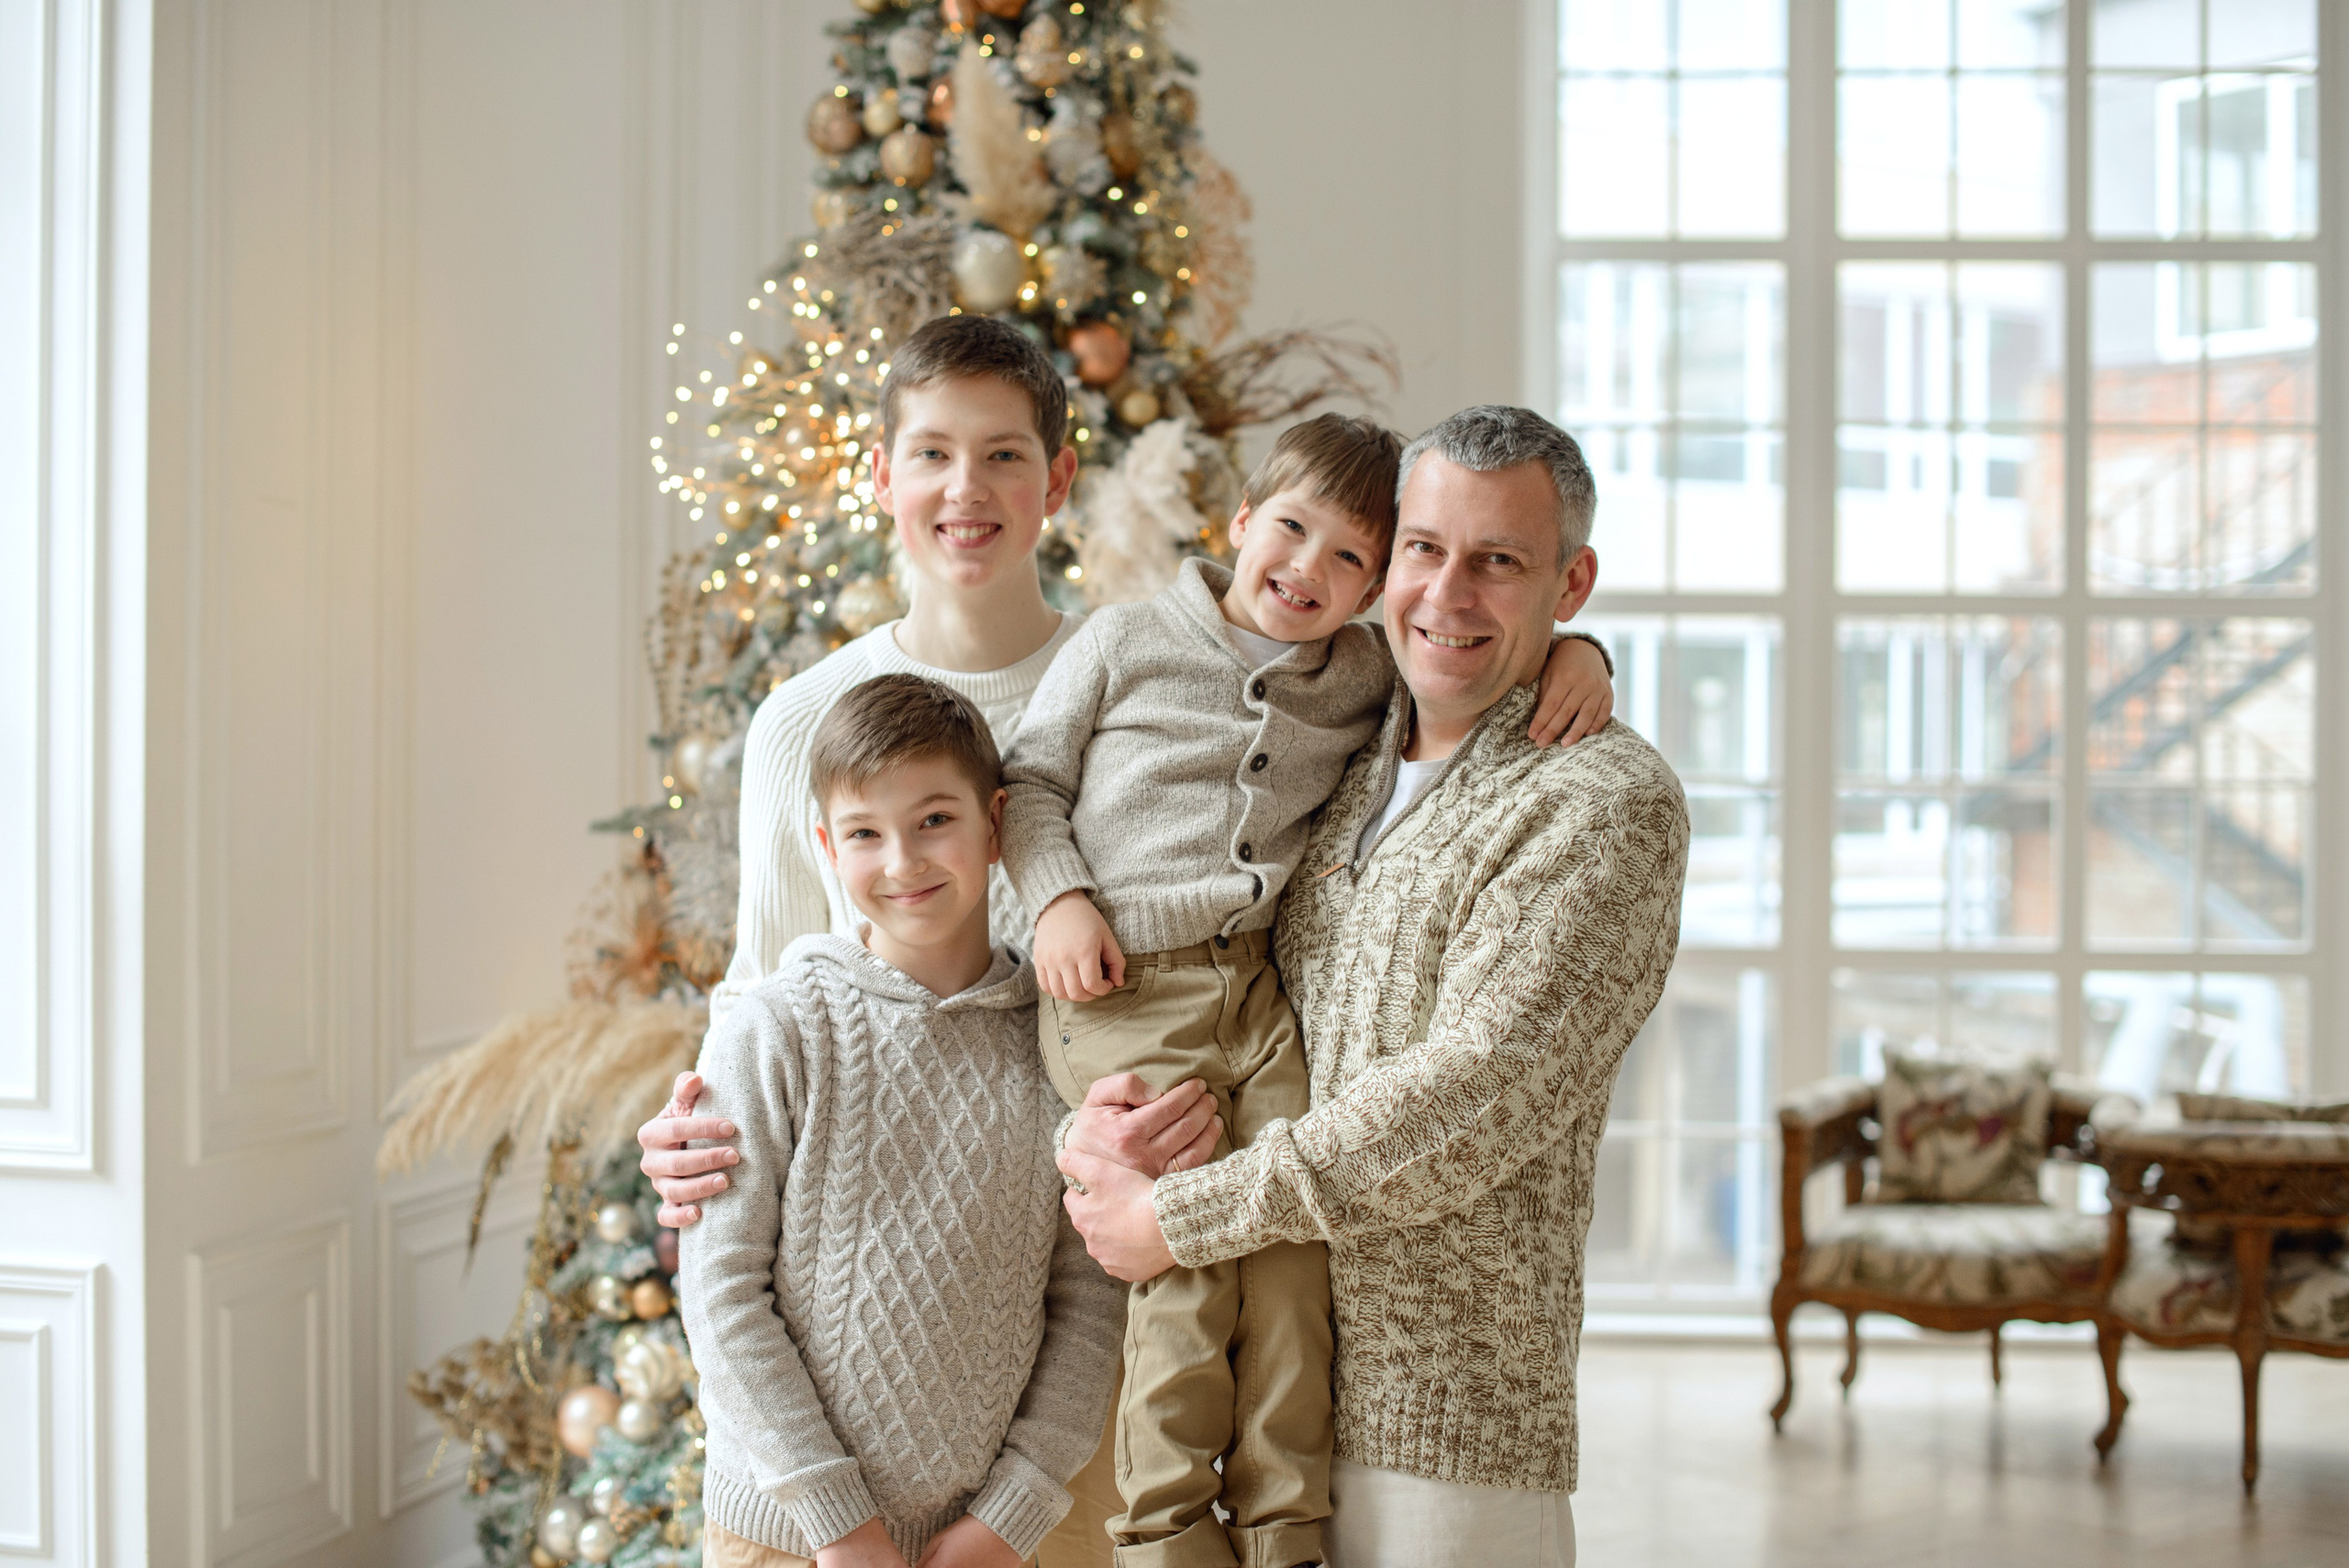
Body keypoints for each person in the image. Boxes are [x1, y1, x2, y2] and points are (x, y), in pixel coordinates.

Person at [1052, 406, 1690, 1568]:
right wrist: (1107, 1122)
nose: (1447, 592)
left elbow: (1472, 1097)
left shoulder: (1600, 802)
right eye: (1424, 548)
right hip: (1248, 1414)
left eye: (1500, 560)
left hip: (1436, 1437)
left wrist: (1179, 1218)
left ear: (1571, 581)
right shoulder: (1345, 737)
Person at [678, 673, 1123, 1568]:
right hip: (784, 1536)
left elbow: (1089, 1302)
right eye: (864, 833)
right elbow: (722, 1291)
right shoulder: (774, 1028)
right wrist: (840, 1523)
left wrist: (1012, 1513)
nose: (902, 862)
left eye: (934, 820)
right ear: (825, 846)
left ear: (994, 824)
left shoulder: (1063, 1042)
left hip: (990, 1542)